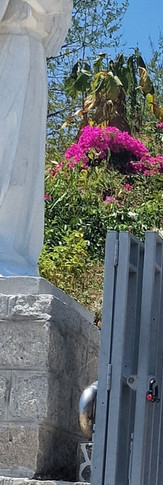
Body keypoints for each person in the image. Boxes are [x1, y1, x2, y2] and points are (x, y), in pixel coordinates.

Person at [0, 0, 73, 277]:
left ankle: (15, 247)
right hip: (9, 43)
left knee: (25, 157)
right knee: (6, 142)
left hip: (32, 49)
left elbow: (53, 23)